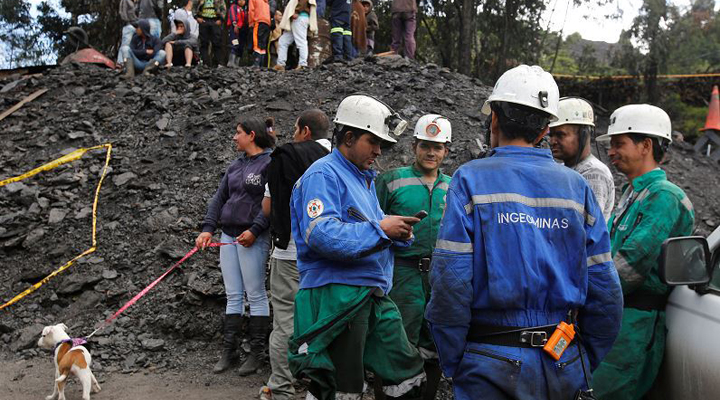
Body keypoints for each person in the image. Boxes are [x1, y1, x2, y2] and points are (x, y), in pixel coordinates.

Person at [426, 65, 624, 399]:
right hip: (562, 358)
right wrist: (582, 359)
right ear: (545, 128)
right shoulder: (577, 187)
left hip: (488, 362)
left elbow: (449, 283)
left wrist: (457, 361)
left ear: (494, 118)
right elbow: (606, 294)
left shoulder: (469, 179)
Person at [288, 95, 427, 400]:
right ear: (349, 137)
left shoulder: (361, 180)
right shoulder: (323, 175)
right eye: (373, 141)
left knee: (407, 371)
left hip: (371, 294)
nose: (379, 151)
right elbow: (320, 233)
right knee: (342, 387)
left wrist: (397, 232)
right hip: (337, 294)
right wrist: (380, 229)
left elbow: (370, 230)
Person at [592, 104, 696, 400]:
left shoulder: (665, 197)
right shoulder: (633, 192)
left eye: (618, 143)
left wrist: (584, 296)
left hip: (634, 326)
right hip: (614, 316)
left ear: (646, 145)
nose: (611, 151)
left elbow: (630, 265)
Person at [375, 114, 452, 400]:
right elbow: (372, 224)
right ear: (414, 146)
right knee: (394, 341)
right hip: (401, 275)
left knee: (434, 344)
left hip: (439, 278)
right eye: (425, 146)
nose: (431, 152)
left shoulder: (453, 186)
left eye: (438, 147)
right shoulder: (392, 181)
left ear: (446, 150)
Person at [259, 109, 332, 400]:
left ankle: (281, 389)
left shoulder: (284, 157)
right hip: (331, 254)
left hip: (290, 254)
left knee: (286, 322)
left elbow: (267, 208)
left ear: (304, 130)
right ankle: (321, 388)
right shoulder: (343, 158)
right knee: (328, 320)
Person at [196, 117, 275, 377]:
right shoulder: (235, 166)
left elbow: (271, 203)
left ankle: (256, 353)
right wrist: (208, 228)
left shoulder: (270, 163)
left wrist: (254, 231)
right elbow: (220, 198)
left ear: (251, 135)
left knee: (255, 294)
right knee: (233, 294)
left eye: (238, 133)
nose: (234, 137)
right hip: (228, 236)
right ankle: (229, 351)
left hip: (252, 236)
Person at [549, 97, 615, 222]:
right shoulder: (567, 168)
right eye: (551, 135)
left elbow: (587, 225)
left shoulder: (594, 174)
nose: (552, 141)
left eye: (560, 135)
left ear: (584, 134)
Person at [274, 0, 318, 71]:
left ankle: (303, 64)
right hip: (297, 18)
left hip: (299, 18)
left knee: (301, 41)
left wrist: (297, 11)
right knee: (283, 41)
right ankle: (280, 64)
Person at [196, 0, 227, 67]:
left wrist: (221, 19)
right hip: (203, 20)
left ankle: (218, 62)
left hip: (215, 20)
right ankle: (205, 62)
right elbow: (194, 5)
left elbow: (223, 8)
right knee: (204, 42)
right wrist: (197, 17)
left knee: (217, 42)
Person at [249, 0, 272, 66]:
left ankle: (256, 62)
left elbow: (251, 10)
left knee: (257, 41)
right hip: (267, 23)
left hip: (259, 21)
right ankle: (261, 63)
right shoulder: (266, 2)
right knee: (263, 44)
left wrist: (251, 22)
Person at [227, 0, 247, 67]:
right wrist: (235, 24)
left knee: (240, 46)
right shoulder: (234, 7)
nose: (242, 2)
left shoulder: (243, 9)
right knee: (234, 43)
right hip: (234, 28)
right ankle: (231, 61)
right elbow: (233, 15)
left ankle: (236, 62)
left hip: (242, 29)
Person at [118, 0, 138, 66]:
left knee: (133, 45)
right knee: (125, 44)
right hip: (129, 25)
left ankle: (130, 63)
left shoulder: (136, 2)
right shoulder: (125, 1)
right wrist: (128, 21)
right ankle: (120, 62)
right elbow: (122, 13)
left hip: (137, 26)